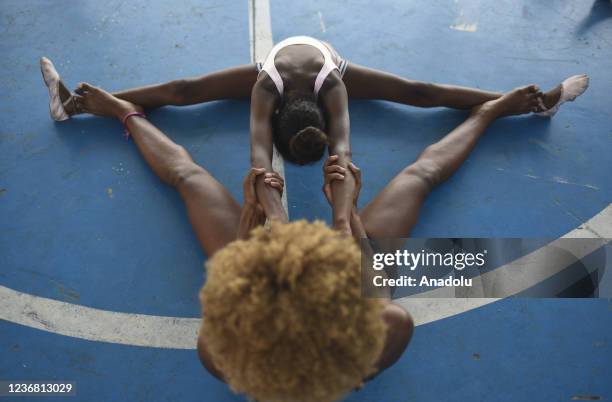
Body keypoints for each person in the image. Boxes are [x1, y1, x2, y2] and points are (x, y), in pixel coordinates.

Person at [58, 79, 545, 401]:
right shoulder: (385, 322)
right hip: (340, 345)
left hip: (275, 355)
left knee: (188, 175)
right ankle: (488, 114)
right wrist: (345, 207)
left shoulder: (219, 346)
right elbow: (360, 264)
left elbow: (245, 268)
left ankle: (126, 113)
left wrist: (260, 212)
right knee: (421, 175)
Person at [39, 36, 589, 236]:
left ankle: (522, 104)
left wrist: (271, 207)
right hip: (289, 76)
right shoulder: (264, 87)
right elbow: (286, 160)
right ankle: (513, 106)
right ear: (278, 112)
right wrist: (341, 212)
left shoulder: (335, 88)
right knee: (422, 101)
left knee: (421, 94)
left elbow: (293, 159)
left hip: (322, 72)